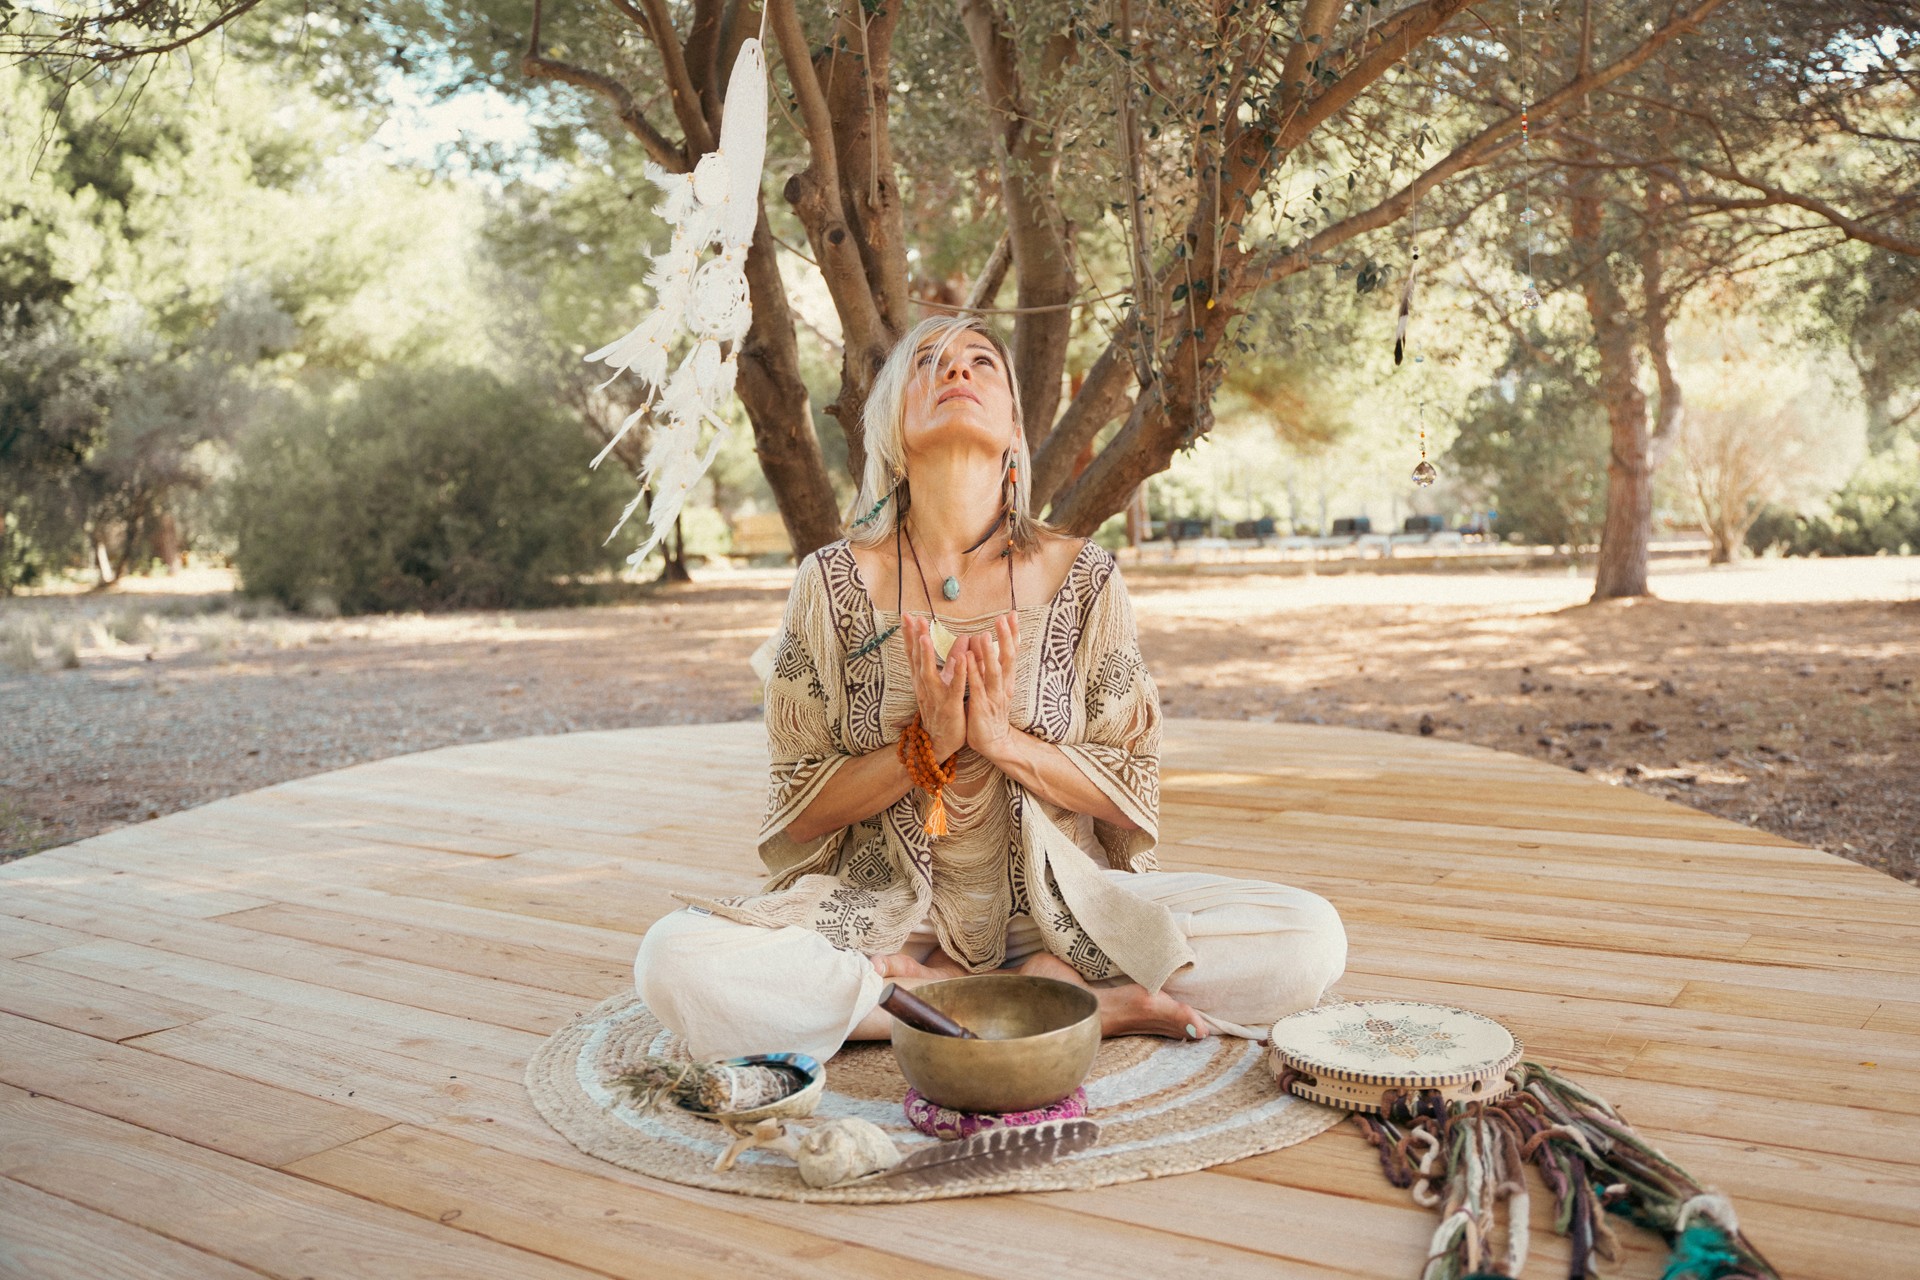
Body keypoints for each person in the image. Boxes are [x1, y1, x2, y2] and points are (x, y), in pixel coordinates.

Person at [634, 315, 1346, 1063]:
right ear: (891, 426)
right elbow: (798, 811)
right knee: (675, 960)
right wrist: (927, 748)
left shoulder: (1084, 578)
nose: (957, 373)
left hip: (1063, 908)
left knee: (1306, 938)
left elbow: (1130, 784)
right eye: (930, 364)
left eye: (982, 363)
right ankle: (1056, 1004)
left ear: (1013, 427)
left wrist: (1001, 740)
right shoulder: (831, 583)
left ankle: (934, 997)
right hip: (885, 914)